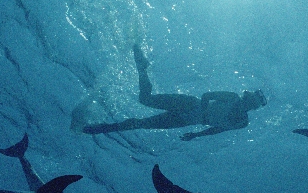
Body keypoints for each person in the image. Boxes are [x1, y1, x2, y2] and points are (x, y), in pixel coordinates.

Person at [82, 45, 267, 141]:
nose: (248, 101)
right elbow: (206, 95)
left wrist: (196, 135)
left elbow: (217, 129)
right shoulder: (232, 98)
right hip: (189, 105)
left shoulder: (242, 123)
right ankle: (142, 68)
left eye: (252, 102)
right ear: (247, 97)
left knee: (142, 124)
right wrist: (200, 113)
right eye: (250, 98)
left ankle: (102, 128)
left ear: (254, 107)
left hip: (187, 120)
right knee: (145, 99)